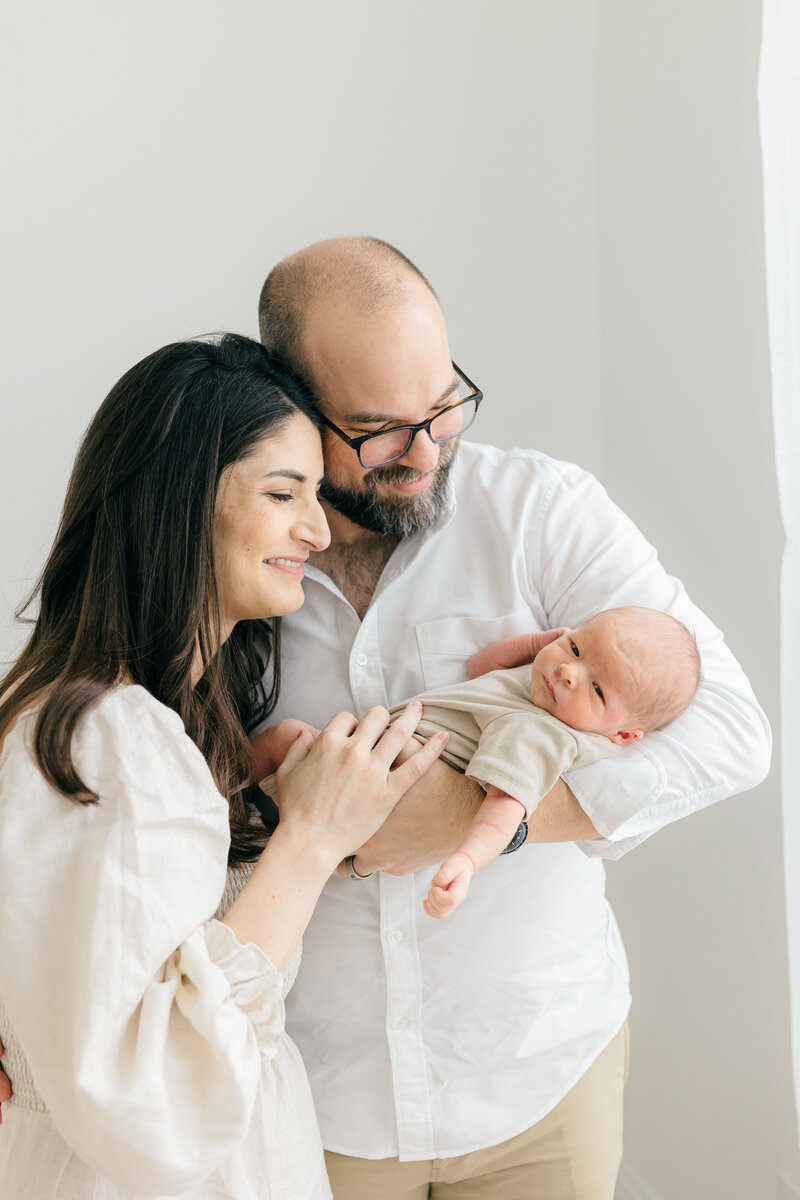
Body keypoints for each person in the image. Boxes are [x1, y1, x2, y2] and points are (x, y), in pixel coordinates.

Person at [253, 236, 771, 1199]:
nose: (425, 452)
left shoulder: (541, 510)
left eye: (443, 406)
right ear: (287, 403)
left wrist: (474, 822)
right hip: (318, 1097)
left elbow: (733, 732)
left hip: (541, 1073)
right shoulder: (226, 549)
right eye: (377, 429)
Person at [0, 334, 447, 1199]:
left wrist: (241, 804)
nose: (317, 531)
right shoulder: (107, 737)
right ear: (177, 504)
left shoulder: (117, 722)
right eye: (283, 493)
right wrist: (311, 842)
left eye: (316, 494)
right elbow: (153, 1105)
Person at [255, 606, 701, 920]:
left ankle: (218, 796)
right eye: (578, 648)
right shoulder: (546, 690)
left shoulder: (542, 734)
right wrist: (535, 645)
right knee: (285, 751)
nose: (570, 672)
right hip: (354, 779)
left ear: (623, 735)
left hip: (363, 790)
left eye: (598, 689)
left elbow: (504, 808)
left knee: (286, 742)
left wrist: (466, 862)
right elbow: (479, 667)